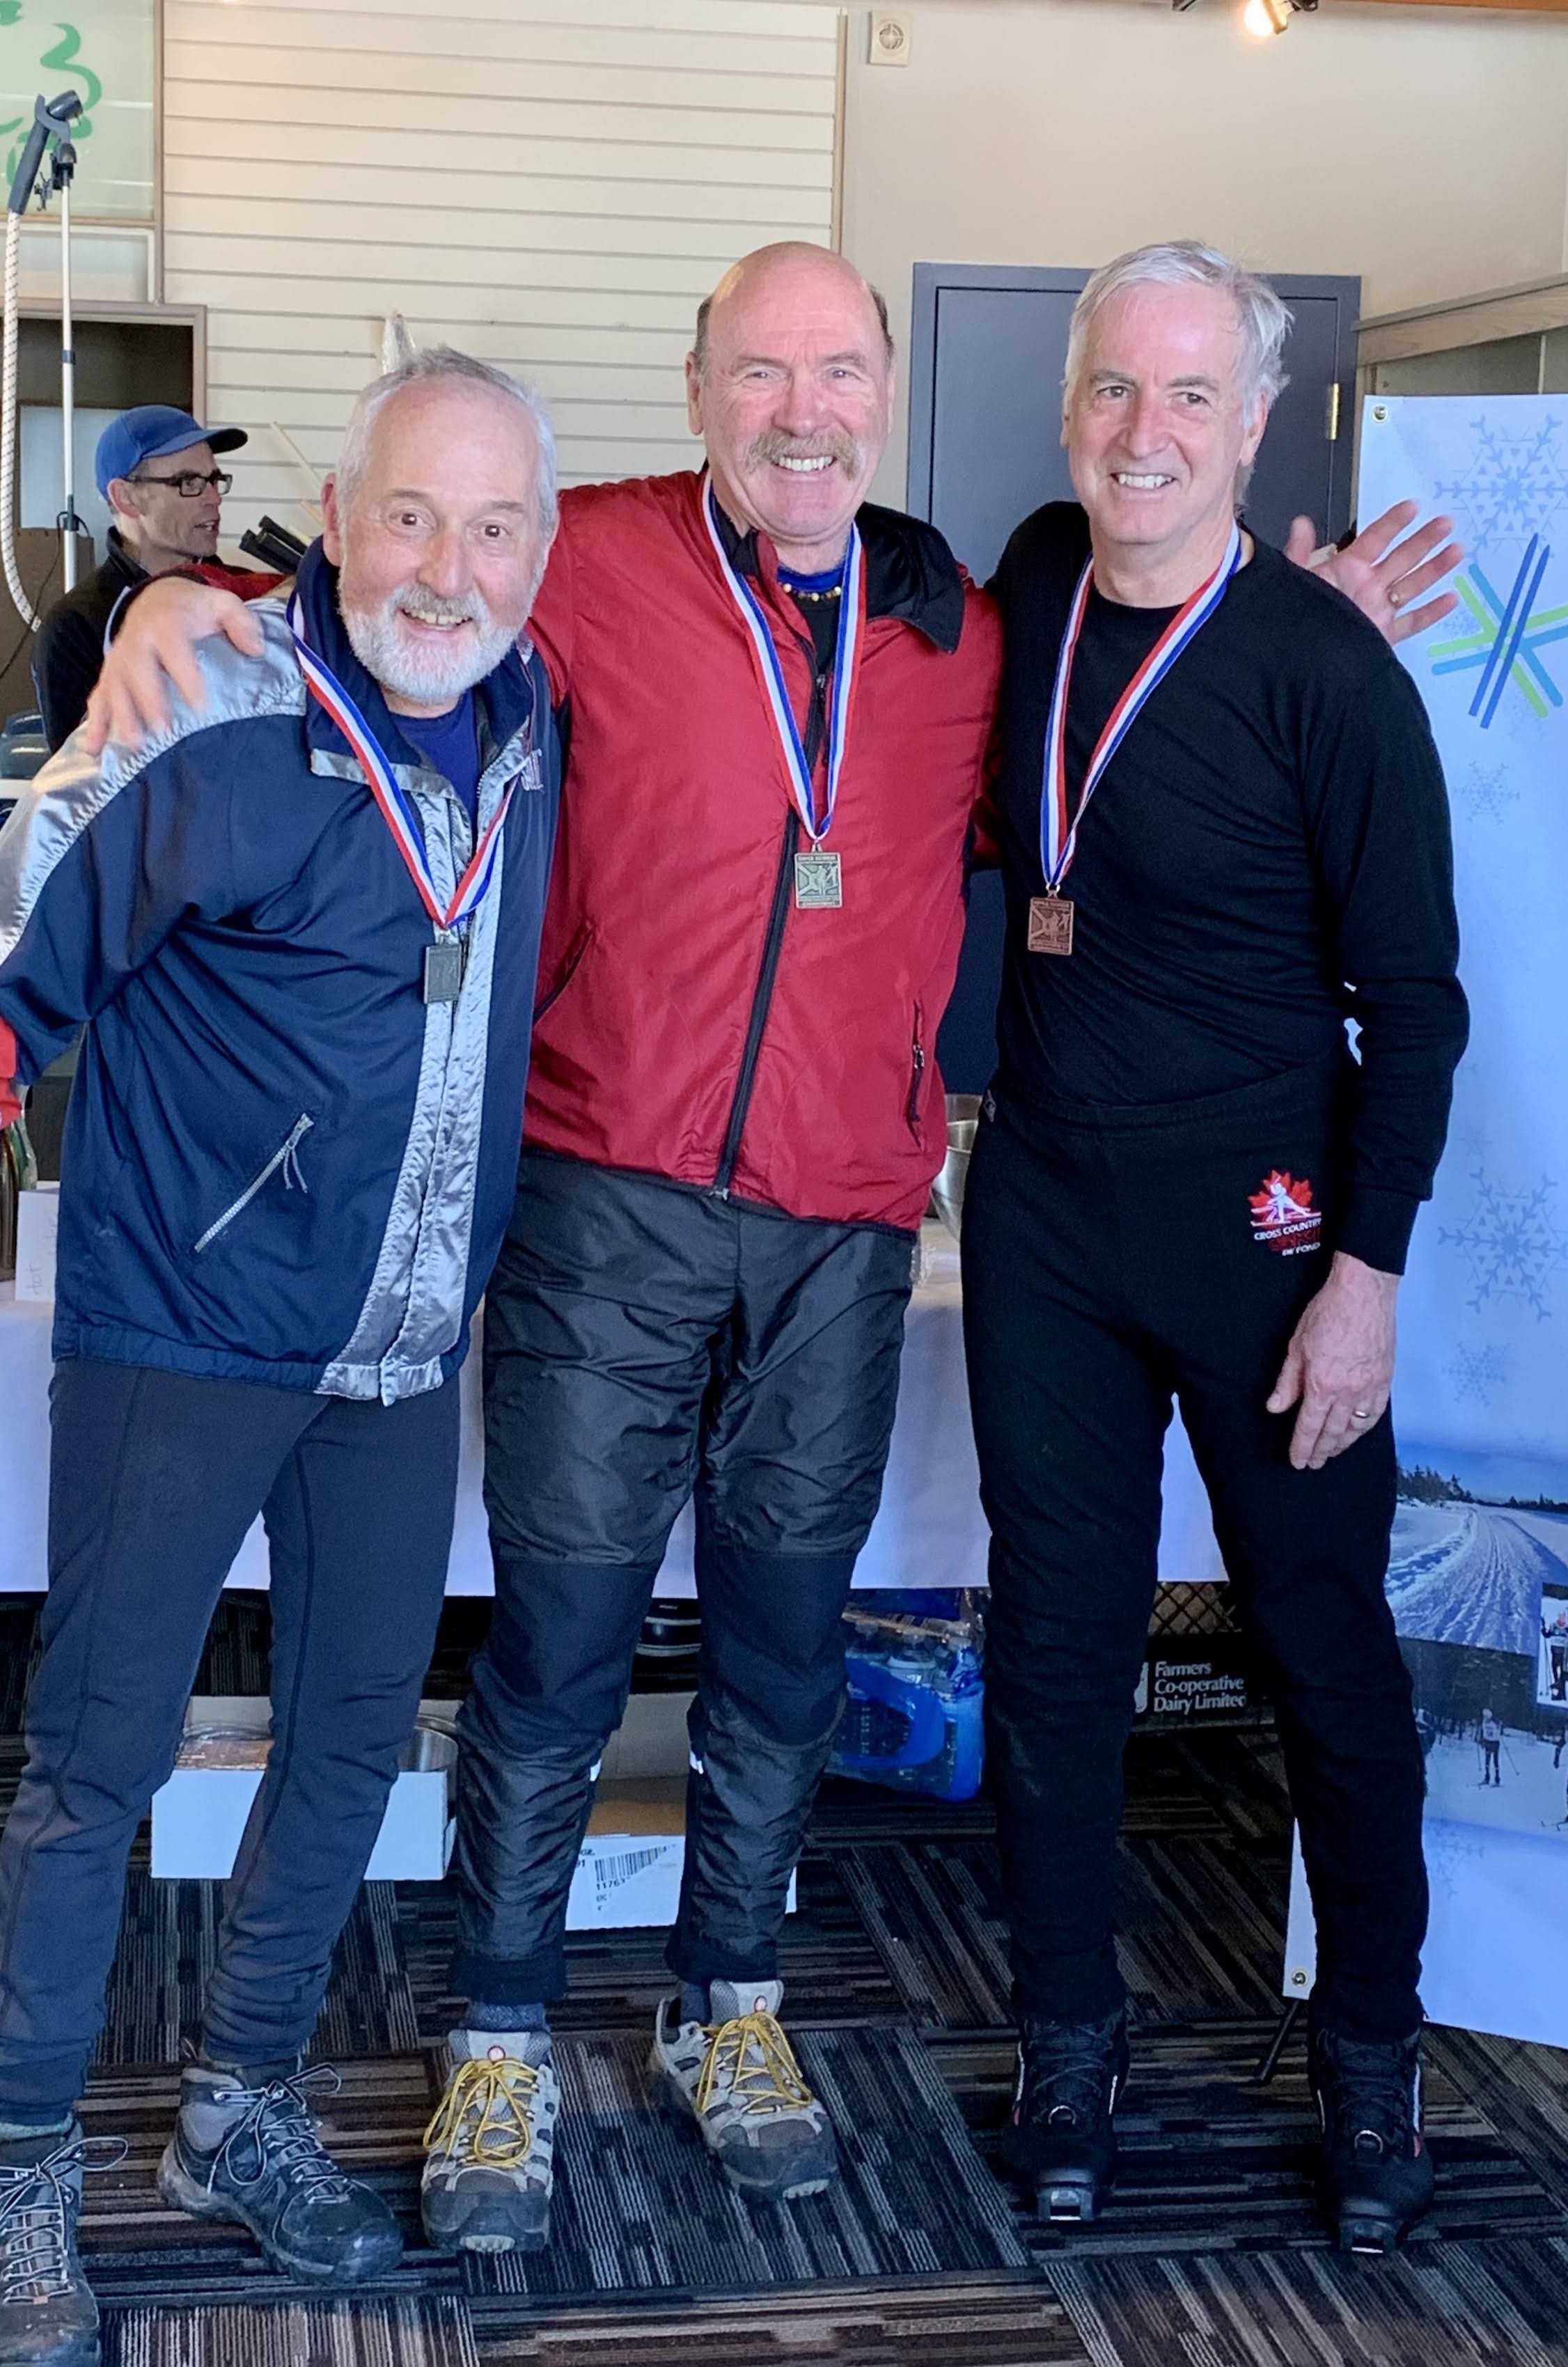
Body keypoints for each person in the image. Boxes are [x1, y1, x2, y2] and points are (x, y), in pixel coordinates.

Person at [81, 240, 1464, 2248]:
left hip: (851, 1224)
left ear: (886, 393)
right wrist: (173, 610)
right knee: (557, 1648)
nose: (800, 413)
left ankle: (734, 2002)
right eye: (759, 372)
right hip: (609, 1201)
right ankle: (499, 2028)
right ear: (699, 385)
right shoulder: (613, 559)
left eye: (836, 373)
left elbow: (1227, 769)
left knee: (790, 1654)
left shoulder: (962, 614)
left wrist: (1299, 625)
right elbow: (401, 592)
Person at [0, 347, 560, 2361]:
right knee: (98, 1765)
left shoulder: (531, 715)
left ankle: (236, 2103)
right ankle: (20, 2159)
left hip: (402, 1350)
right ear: (332, 517)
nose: (447, 568)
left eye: (493, 526)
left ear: (540, 550)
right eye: (409, 514)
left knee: (348, 1744)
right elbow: (17, 941)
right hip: (187, 1324)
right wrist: (161, 610)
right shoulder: (205, 702)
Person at [960, 240, 1468, 2253]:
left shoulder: (1330, 674)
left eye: (1190, 396)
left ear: (1254, 426)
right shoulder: (1027, 580)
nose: (1144, 432)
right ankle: (1067, 2039)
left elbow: (1414, 1007)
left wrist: (1366, 1279)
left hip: (1267, 1230)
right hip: (1044, 1211)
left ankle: (1372, 2045)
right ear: (1067, 405)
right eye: (1114, 388)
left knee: (1321, 1645)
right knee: (1053, 1648)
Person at [29, 405, 255, 752]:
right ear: (126, 498)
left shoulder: (246, 596)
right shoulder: (75, 628)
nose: (213, 499)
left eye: (214, 480)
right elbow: (83, 771)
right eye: (189, 483)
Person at [1477, 1710, 1503, 1786]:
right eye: (1484, 1716)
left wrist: (1499, 1725)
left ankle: (1497, 1780)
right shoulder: (1484, 1722)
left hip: (1495, 1743)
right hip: (1488, 1743)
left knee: (1495, 1761)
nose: (1485, 1718)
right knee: (1487, 1761)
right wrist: (1482, 1741)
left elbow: (1500, 1729)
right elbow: (1484, 1732)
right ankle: (1487, 1778)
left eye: (1486, 1717)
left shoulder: (1495, 1722)